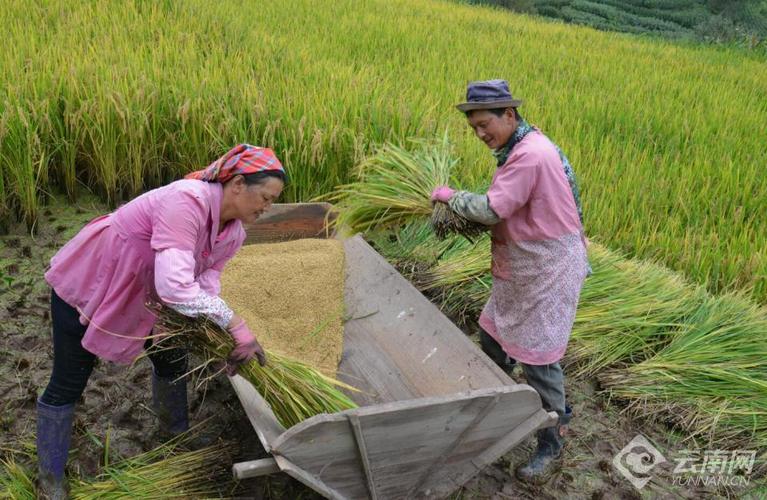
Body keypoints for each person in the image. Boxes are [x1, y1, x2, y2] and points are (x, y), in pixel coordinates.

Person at [36, 144, 285, 498]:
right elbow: (175, 287)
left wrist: (216, 332)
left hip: (151, 298)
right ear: (239, 184)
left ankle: (174, 434)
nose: (268, 207)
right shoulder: (187, 202)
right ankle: (50, 477)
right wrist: (235, 324)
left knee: (172, 361)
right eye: (265, 197)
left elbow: (207, 280)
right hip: (97, 284)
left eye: (273, 201)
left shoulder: (234, 233)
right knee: (69, 380)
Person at [431, 80, 589, 483]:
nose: (482, 134)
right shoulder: (522, 145)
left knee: (539, 358)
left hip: (545, 270)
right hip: (525, 266)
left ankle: (552, 442)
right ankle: (496, 411)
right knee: (492, 335)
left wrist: (449, 197)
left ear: (510, 115)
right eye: (474, 129)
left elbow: (492, 208)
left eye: (486, 124)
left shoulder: (529, 155)